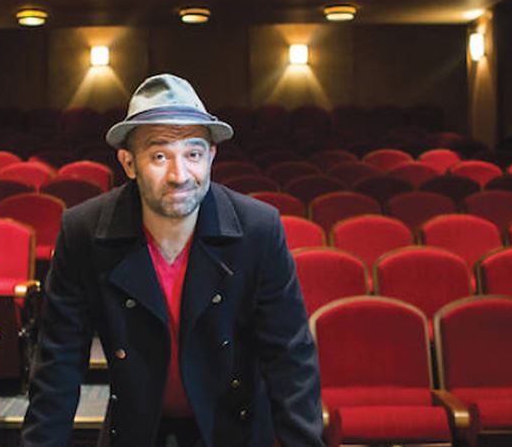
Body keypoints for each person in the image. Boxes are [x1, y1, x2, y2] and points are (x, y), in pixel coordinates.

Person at [22, 74, 323, 447]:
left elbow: (290, 359)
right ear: (129, 163)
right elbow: (58, 365)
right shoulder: (83, 232)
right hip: (136, 428)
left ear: (211, 157)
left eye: (193, 154)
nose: (179, 176)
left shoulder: (258, 230)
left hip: (235, 429)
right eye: (159, 156)